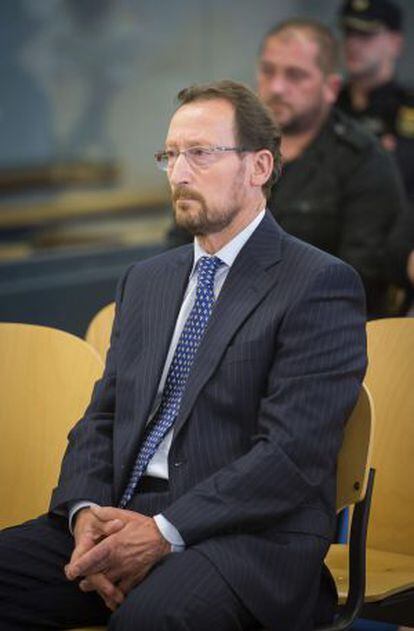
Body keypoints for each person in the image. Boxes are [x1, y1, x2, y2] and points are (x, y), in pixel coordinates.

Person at [0, 80, 367, 631]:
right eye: (169, 156)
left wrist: (163, 531)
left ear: (259, 167)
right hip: (122, 514)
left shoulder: (319, 283)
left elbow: (290, 457)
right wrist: (85, 515)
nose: (178, 174)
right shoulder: (145, 280)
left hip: (244, 539)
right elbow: (103, 418)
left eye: (201, 153)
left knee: (152, 619)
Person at [168, 19, 407, 319]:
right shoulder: (226, 149)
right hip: (212, 314)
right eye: (268, 71)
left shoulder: (363, 161)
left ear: (331, 87)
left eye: (296, 75)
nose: (277, 87)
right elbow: (179, 246)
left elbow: (359, 279)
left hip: (316, 327)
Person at [337, 0, 414, 203]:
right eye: (349, 33)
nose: (353, 43)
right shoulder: (327, 105)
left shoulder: (407, 107)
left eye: (366, 34)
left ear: (395, 43)